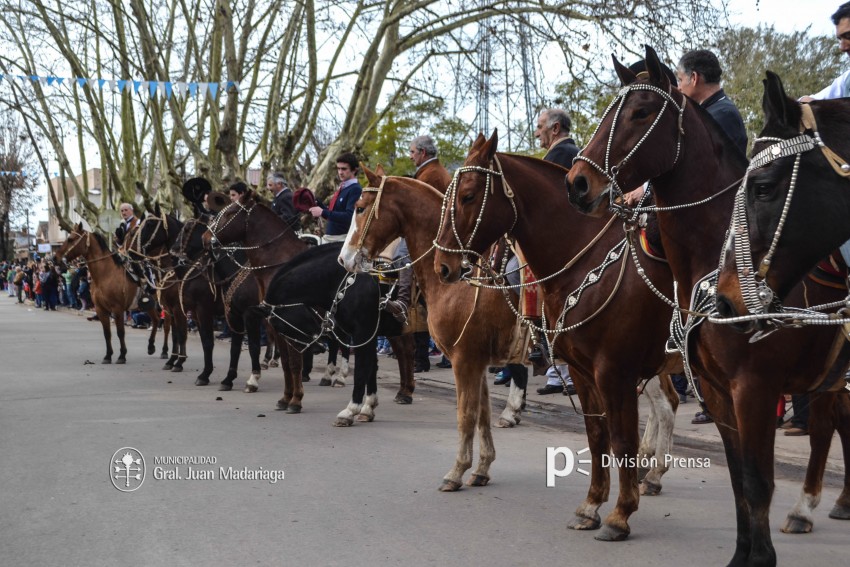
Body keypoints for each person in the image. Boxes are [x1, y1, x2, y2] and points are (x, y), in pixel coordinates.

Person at [675, 49, 748, 156]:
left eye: (680, 80)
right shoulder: (712, 111)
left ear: (694, 78)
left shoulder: (724, 115)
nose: (678, 88)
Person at [308, 153, 363, 242]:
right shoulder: (343, 188)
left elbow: (349, 217)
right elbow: (332, 213)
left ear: (354, 170)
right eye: (338, 169)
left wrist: (322, 212)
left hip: (341, 239)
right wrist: (315, 201)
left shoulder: (355, 189)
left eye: (344, 169)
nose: (340, 172)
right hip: (331, 237)